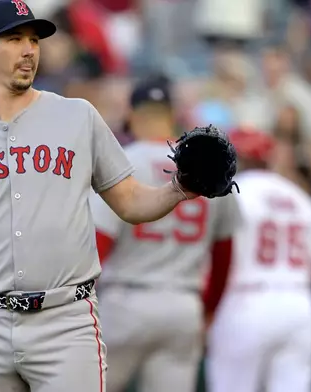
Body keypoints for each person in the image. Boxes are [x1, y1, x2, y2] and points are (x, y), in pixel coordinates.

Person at [0, 1, 204, 391]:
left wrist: (177, 189)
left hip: (65, 321)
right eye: (14, 39)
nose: (29, 50)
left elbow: (129, 201)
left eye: (33, 40)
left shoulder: (78, 117)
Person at [90, 76, 238, 392]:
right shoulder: (207, 163)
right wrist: (208, 310)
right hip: (184, 304)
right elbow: (225, 254)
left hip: (126, 300)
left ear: (131, 114)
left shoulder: (123, 159)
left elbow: (97, 243)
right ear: (173, 114)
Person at [203, 129, 311, 392]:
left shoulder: (232, 194)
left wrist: (208, 310)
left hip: (246, 299)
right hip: (299, 303)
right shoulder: (304, 201)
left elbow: (218, 257)